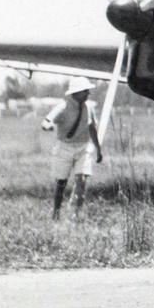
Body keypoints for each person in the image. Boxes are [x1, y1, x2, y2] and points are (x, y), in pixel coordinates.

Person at [42, 77, 103, 219]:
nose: (88, 93)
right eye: (85, 91)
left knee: (81, 179)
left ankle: (77, 213)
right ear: (76, 93)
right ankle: (56, 212)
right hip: (65, 148)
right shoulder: (63, 107)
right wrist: (48, 126)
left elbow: (92, 128)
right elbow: (47, 120)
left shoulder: (89, 108)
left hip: (83, 147)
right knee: (61, 182)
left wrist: (98, 149)